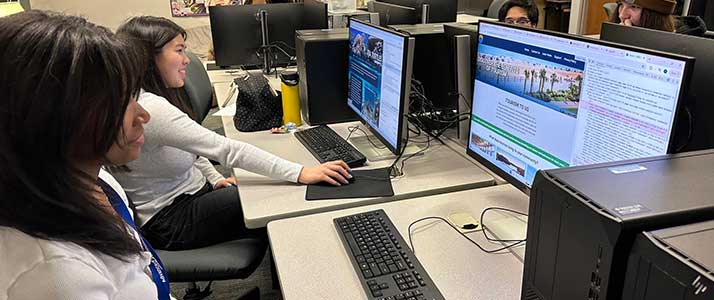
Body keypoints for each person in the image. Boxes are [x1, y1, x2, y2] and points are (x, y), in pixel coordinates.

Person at [112, 16, 351, 251]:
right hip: (170, 219)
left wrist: (215, 179)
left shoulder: (152, 96)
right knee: (281, 189)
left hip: (190, 194)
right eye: (179, 51)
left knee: (264, 183)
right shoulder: (152, 108)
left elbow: (192, 147)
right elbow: (227, 150)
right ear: (149, 58)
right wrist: (302, 172)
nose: (186, 60)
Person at [0, 11, 170, 299]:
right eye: (119, 100)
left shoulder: (97, 181)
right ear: (50, 115)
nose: (143, 114)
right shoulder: (57, 274)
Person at [610, 0, 708, 35]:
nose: (621, 15)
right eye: (621, 5)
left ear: (655, 16)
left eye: (634, 7)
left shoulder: (681, 49)